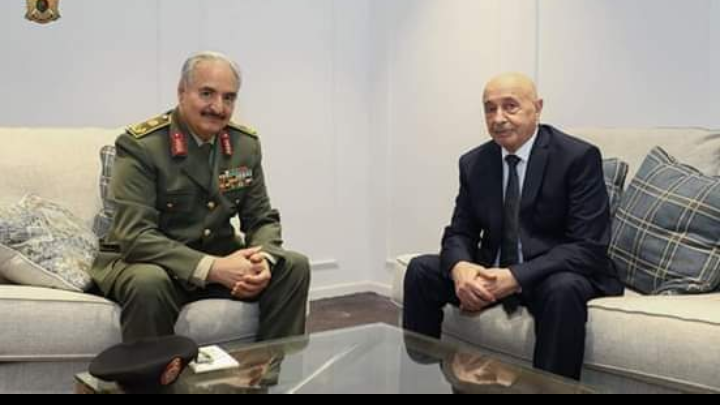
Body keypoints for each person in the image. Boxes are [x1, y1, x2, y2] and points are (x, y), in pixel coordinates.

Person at [403, 72, 623, 380]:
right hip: (493, 271)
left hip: (549, 273)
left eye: (510, 106)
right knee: (420, 271)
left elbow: (589, 247)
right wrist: (461, 267)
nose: (498, 118)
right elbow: (460, 232)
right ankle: (421, 378)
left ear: (537, 107)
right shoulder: (475, 162)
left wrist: (515, 277)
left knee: (563, 290)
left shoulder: (577, 157)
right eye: (489, 109)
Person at [91, 51, 311, 344]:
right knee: (148, 283)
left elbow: (261, 218)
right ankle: (155, 372)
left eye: (229, 98)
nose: (218, 107)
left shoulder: (244, 144)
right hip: (152, 262)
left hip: (219, 255)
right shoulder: (142, 145)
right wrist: (213, 268)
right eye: (207, 93)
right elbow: (136, 236)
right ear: (182, 92)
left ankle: (269, 368)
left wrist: (262, 261)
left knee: (294, 266)